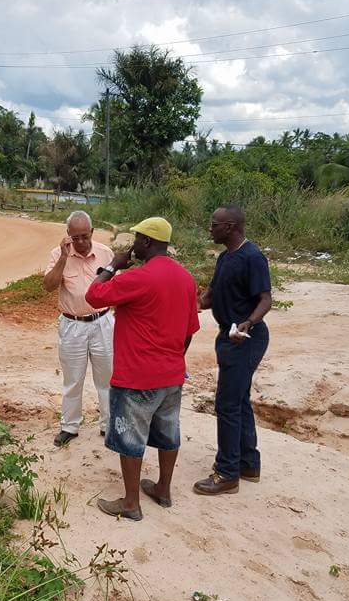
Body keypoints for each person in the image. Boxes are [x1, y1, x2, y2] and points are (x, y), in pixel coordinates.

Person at [85, 217, 200, 521]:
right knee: (168, 432)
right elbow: (190, 330)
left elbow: (94, 296)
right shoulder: (186, 279)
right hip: (172, 374)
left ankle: (131, 503)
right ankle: (163, 489)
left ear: (147, 242)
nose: (133, 245)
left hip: (137, 375)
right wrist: (174, 359)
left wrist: (112, 266)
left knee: (130, 437)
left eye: (136, 239)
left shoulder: (137, 277)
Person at [194, 205, 272, 496]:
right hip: (228, 337)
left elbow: (265, 299)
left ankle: (227, 472)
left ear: (230, 227)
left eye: (214, 224)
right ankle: (248, 463)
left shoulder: (253, 257)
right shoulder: (226, 257)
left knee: (227, 404)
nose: (210, 229)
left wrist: (248, 324)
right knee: (239, 401)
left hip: (245, 339)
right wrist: (197, 302)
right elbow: (214, 293)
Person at [43, 210, 115, 447]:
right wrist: (64, 258)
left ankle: (108, 425)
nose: (81, 242)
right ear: (68, 235)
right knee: (73, 379)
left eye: (85, 236)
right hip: (72, 324)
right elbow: (48, 287)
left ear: (92, 232)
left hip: (103, 322)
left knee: (107, 378)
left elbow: (118, 287)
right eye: (76, 237)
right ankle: (70, 426)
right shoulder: (58, 255)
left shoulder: (106, 254)